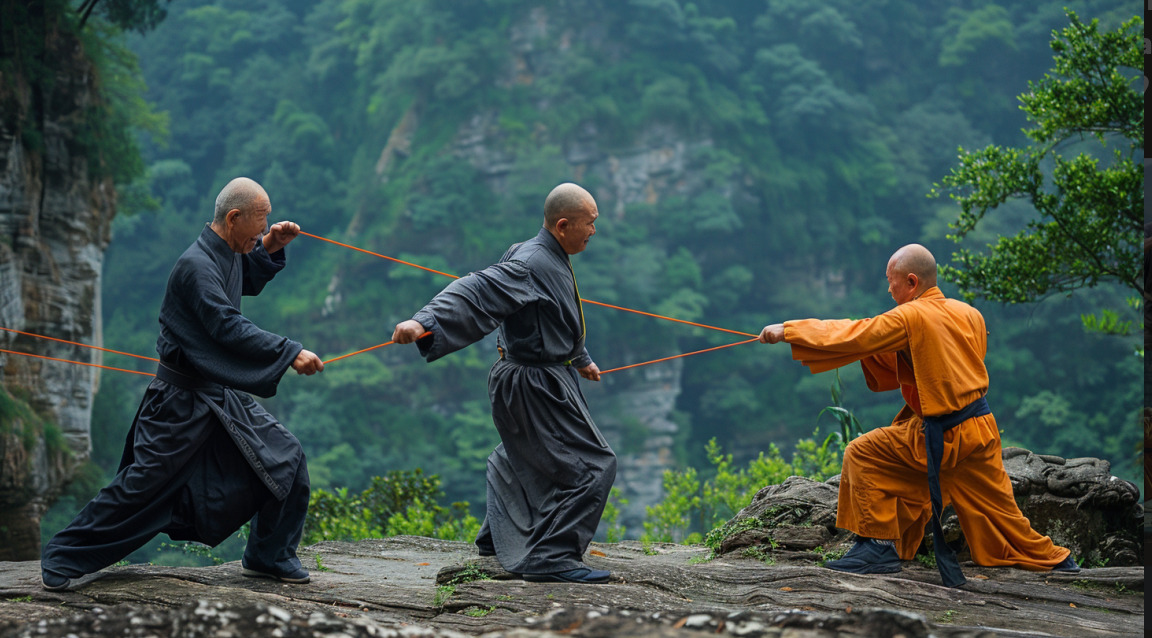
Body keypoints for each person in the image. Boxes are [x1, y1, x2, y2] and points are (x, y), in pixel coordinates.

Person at [40, 177, 324, 591]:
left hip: (214, 395)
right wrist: (287, 352)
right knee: (140, 490)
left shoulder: (224, 251)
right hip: (177, 404)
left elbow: (240, 274)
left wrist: (268, 249)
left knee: (286, 457)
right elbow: (225, 325)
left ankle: (270, 554)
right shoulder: (195, 267)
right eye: (259, 227)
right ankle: (63, 556)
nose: (262, 232)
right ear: (232, 218)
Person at [758, 243, 1077, 587]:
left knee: (863, 454)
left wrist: (788, 331)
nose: (889, 289)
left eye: (891, 282)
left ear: (911, 282)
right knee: (1001, 516)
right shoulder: (969, 313)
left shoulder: (910, 317)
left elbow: (856, 333)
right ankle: (1056, 560)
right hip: (979, 429)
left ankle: (879, 546)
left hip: (943, 436)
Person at [392, 183, 616, 584]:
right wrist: (425, 322)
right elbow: (477, 289)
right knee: (593, 467)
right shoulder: (530, 262)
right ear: (563, 225)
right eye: (590, 223)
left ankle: (495, 537)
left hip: (539, 375)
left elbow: (549, 315)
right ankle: (553, 557)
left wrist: (580, 359)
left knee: (521, 453)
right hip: (534, 384)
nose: (594, 230)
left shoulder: (544, 252)